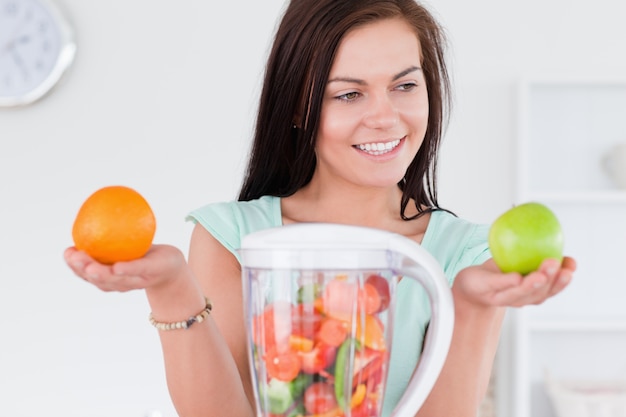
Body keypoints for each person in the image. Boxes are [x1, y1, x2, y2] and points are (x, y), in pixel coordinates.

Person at [64, 1, 577, 416]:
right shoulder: (232, 237)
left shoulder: (467, 255)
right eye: (349, 94)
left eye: (404, 85)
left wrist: (473, 305)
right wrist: (172, 287)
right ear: (296, 106)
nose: (385, 117)